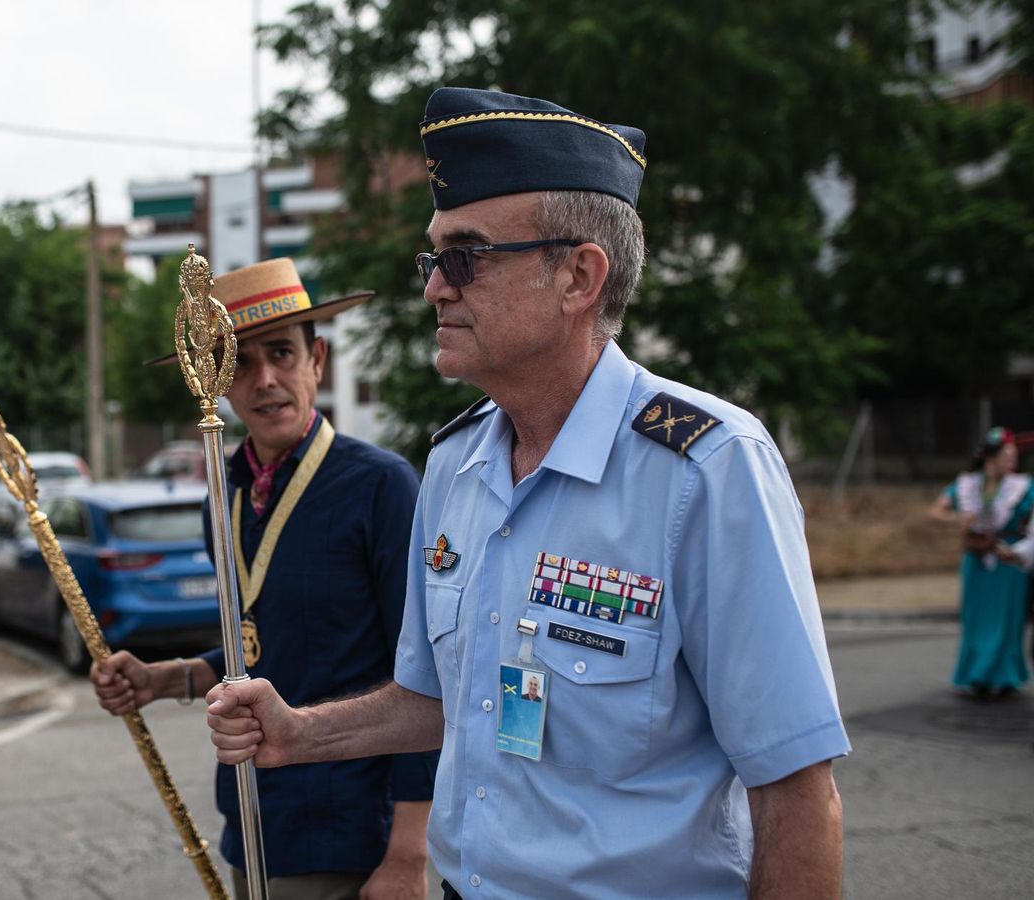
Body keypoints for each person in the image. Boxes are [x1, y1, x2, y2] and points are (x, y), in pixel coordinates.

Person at [206, 88, 850, 899]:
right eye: (433, 259)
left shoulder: (707, 471)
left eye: (466, 257)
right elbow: (434, 699)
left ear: (579, 275)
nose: (436, 288)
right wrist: (299, 732)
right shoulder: (455, 463)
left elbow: (795, 789)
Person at [96, 258, 437, 899]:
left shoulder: (381, 486)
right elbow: (254, 643)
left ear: (319, 359)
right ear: (216, 380)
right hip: (251, 815)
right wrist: (160, 679)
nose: (265, 379)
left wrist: (408, 854)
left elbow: (423, 673)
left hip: (351, 832)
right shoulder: (221, 495)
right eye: (240, 361)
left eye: (282, 353)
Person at [928, 426, 1032, 696]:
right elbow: (936, 510)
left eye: (1013, 455)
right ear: (990, 456)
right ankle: (976, 673)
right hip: (976, 557)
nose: (1012, 460)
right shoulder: (967, 485)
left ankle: (1003, 675)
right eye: (1006, 455)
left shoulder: (1022, 486)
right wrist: (957, 520)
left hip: (1009, 557)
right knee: (976, 616)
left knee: (1007, 617)